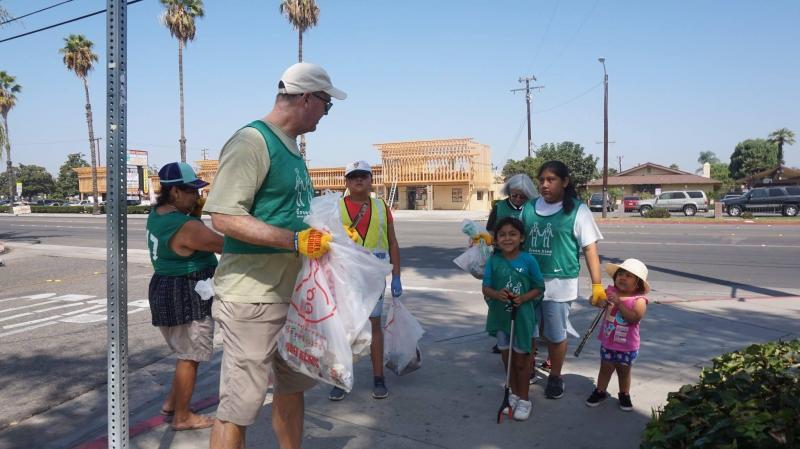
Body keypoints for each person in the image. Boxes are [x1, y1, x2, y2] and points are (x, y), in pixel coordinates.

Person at [204, 62, 348, 449]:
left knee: (293, 387)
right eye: (326, 105)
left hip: (294, 295)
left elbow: (291, 214)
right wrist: (294, 242)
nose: (325, 114)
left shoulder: (294, 152)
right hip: (253, 297)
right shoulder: (252, 141)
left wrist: (320, 237)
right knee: (239, 405)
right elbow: (223, 215)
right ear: (306, 98)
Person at [145, 162, 223, 431]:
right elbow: (225, 245)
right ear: (175, 192)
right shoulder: (185, 226)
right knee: (190, 355)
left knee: (184, 354)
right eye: (191, 191)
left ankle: (171, 403)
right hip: (186, 291)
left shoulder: (158, 214)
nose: (197, 197)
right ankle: (182, 416)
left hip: (166, 287)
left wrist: (194, 216)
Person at [520, 160, 605, 400]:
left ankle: (555, 376)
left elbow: (590, 249)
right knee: (528, 332)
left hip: (559, 285)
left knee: (556, 334)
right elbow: (514, 239)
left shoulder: (578, 211)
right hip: (528, 283)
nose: (545, 185)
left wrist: (597, 285)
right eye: (542, 180)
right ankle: (527, 370)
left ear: (565, 182)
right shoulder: (528, 208)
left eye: (551, 180)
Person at [328, 160, 402, 401]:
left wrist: (397, 276)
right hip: (344, 276)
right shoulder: (334, 208)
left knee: (374, 326)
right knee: (342, 329)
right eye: (354, 176)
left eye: (364, 175)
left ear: (371, 180)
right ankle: (340, 378)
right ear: (347, 182)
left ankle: (378, 378)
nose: (359, 179)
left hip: (373, 277)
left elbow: (392, 241)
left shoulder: (381, 206)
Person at [481, 217, 544, 421]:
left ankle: (525, 399)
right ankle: (514, 395)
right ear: (496, 239)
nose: (507, 238)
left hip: (523, 318)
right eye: (502, 234)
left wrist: (523, 298)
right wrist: (495, 293)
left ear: (521, 237)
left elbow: (539, 287)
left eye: (512, 234)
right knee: (508, 361)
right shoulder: (493, 261)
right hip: (501, 319)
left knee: (522, 362)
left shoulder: (528, 260)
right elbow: (485, 287)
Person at [585, 258, 649, 411]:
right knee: (605, 367)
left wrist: (620, 304)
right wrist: (599, 301)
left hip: (627, 345)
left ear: (637, 283)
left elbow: (635, 317)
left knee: (623, 370)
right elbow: (592, 300)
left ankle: (624, 394)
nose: (622, 277)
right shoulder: (610, 292)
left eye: (628, 276)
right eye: (620, 273)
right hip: (608, 341)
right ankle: (600, 391)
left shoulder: (639, 300)